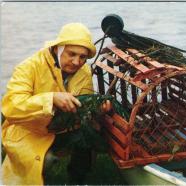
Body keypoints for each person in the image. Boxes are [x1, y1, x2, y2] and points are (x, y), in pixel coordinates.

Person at [1, 23, 110, 185]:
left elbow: (84, 106)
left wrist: (98, 109)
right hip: (27, 131)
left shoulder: (84, 71)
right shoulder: (29, 66)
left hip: (60, 129)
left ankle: (77, 181)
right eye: (71, 54)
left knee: (88, 136)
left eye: (82, 57)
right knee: (46, 160)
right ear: (57, 48)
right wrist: (51, 98)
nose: (76, 62)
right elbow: (11, 107)